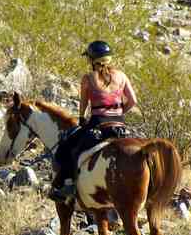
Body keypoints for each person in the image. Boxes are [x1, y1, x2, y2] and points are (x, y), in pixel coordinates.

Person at [48, 41, 138, 202]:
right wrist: (118, 113)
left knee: (69, 147)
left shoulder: (88, 78)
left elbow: (83, 103)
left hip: (98, 123)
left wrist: (82, 118)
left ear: (91, 60)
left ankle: (68, 185)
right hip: (119, 125)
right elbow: (133, 101)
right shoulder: (122, 76)